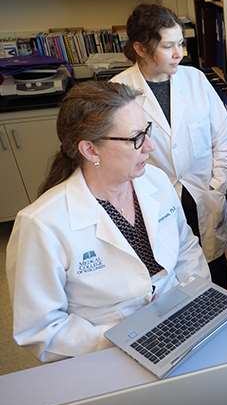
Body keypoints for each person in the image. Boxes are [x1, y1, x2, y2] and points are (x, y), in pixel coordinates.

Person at [6, 81, 210, 362]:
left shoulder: (155, 180)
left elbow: (186, 249)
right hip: (107, 354)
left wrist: (196, 302)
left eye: (147, 130)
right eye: (137, 137)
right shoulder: (41, 224)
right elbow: (41, 330)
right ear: (90, 150)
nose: (150, 146)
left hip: (181, 324)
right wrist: (126, 339)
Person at [112, 4, 227, 290]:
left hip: (204, 191)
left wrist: (218, 184)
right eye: (169, 46)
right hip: (154, 199)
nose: (180, 54)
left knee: (215, 268)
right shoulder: (118, 91)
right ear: (141, 49)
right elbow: (118, 157)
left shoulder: (196, 79)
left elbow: (223, 137)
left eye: (181, 43)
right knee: (167, 275)